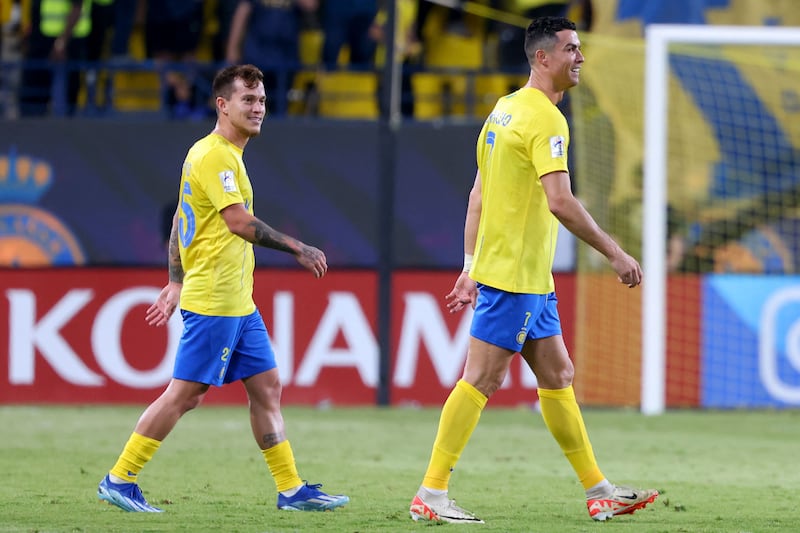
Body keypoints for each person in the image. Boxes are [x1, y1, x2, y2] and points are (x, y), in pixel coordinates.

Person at [408, 17, 658, 524]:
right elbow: (561, 202)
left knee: (558, 374)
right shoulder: (545, 118)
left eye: (580, 48)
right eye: (570, 48)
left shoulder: (503, 111)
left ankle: (599, 490)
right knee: (479, 379)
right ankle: (431, 493)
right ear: (542, 57)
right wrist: (614, 252)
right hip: (516, 276)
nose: (579, 57)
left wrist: (468, 265)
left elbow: (478, 192)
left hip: (526, 278)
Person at [97, 64, 349, 514]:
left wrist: (174, 280)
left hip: (238, 301)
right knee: (185, 394)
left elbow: (180, 217)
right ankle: (120, 477)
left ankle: (290, 489)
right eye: (248, 100)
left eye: (262, 101)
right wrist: (298, 247)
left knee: (267, 387)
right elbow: (237, 222)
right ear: (222, 104)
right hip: (215, 300)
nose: (258, 109)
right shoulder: (215, 155)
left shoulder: (221, 155)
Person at [225, 0, 318, 117]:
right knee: (252, 105)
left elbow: (311, 5)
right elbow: (242, 14)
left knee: (280, 106)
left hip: (285, 57)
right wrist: (232, 48)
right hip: (257, 54)